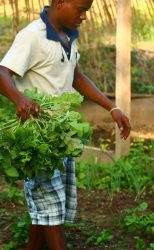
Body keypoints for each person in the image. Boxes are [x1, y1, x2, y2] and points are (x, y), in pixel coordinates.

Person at [0, 0, 131, 249]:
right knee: (51, 207)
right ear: (60, 3)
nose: (84, 16)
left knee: (47, 209)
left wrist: (112, 107)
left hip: (59, 135)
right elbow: (2, 72)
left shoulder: (69, 35)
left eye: (86, 11)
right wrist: (20, 98)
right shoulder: (32, 36)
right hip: (36, 140)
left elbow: (77, 76)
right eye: (81, 9)